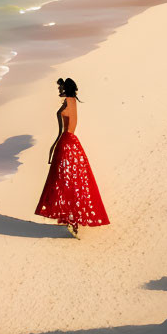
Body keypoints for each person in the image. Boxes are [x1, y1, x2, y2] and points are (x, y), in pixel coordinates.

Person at [35, 76, 109, 236]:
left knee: (63, 182)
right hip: (74, 143)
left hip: (66, 143)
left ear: (64, 88)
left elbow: (61, 130)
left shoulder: (68, 102)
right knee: (74, 181)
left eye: (60, 88)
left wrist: (53, 147)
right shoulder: (74, 101)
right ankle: (73, 219)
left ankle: (71, 219)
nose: (58, 91)